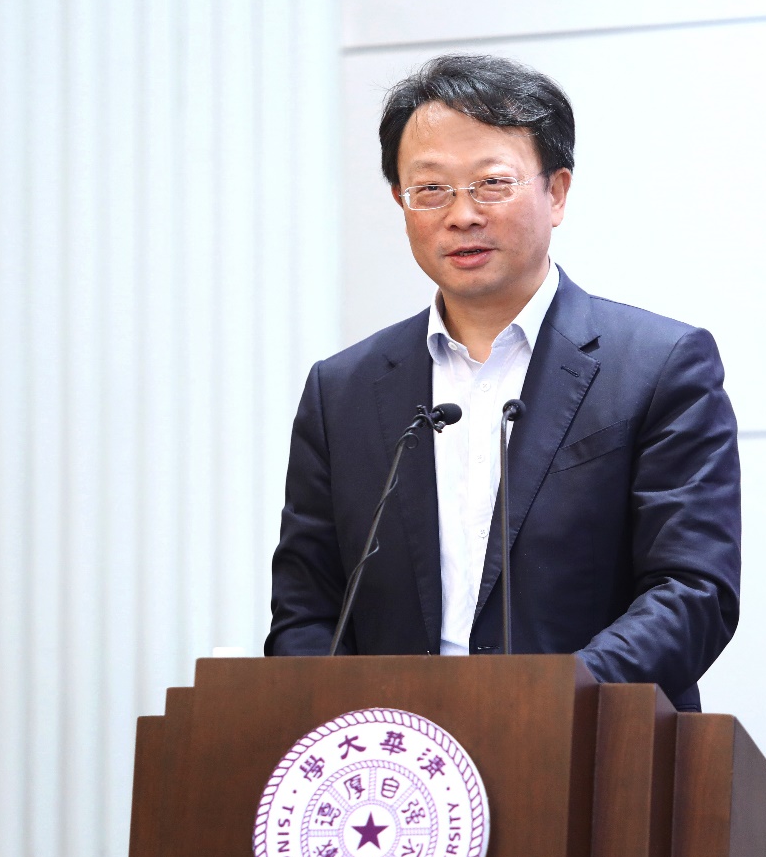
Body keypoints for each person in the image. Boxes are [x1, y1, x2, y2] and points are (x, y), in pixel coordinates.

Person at [265, 53, 740, 710]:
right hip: (398, 759)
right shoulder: (342, 390)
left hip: (590, 745)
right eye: (431, 189)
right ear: (402, 202)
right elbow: (306, 608)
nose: (462, 214)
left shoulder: (660, 364)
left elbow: (692, 590)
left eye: (491, 183)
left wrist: (543, 703)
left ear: (557, 192)